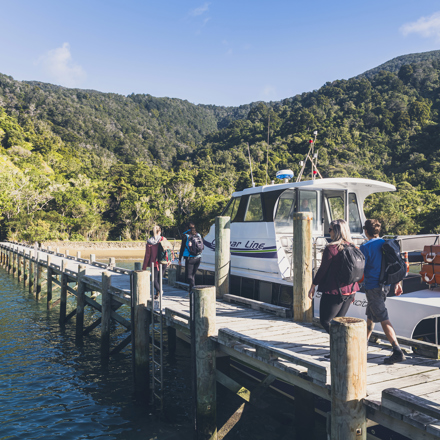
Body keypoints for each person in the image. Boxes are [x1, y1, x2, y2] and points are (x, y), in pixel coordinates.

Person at [360, 219, 405, 364]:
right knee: (371, 314)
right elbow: (394, 264)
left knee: (383, 317)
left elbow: (359, 269)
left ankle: (397, 350)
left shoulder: (365, 247)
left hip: (373, 286)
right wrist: (397, 283)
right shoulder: (387, 243)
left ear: (366, 231)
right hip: (385, 285)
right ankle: (363, 344)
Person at [308, 219, 359, 334]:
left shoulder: (331, 248)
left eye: (330, 229)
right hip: (350, 291)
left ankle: (341, 346)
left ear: (336, 231)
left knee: (326, 321)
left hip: (334, 292)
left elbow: (322, 270)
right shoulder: (353, 247)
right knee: (338, 322)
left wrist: (313, 285)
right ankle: (340, 349)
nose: (328, 232)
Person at [142, 225, 170, 299]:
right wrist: (169, 260)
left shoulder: (150, 242)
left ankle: (159, 291)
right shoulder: (164, 239)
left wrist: (144, 267)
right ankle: (158, 293)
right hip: (163, 262)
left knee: (154, 279)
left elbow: (147, 255)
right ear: (160, 231)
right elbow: (168, 250)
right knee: (159, 278)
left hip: (154, 263)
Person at [179, 226, 202, 293]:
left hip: (190, 258)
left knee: (189, 276)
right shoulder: (198, 235)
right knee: (193, 275)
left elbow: (182, 248)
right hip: (198, 257)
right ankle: (191, 291)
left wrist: (180, 259)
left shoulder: (186, 236)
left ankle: (193, 290)